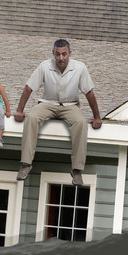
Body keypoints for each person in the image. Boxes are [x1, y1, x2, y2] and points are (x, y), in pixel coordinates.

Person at [14, 38, 103, 185]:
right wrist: (19, 111)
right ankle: (26, 164)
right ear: (53, 53)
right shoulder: (44, 66)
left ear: (70, 53)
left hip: (70, 105)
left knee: (81, 123)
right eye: (57, 54)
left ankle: (77, 170)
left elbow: (89, 92)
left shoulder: (80, 68)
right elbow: (29, 88)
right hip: (48, 103)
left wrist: (97, 117)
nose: (61, 58)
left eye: (64, 54)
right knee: (32, 118)